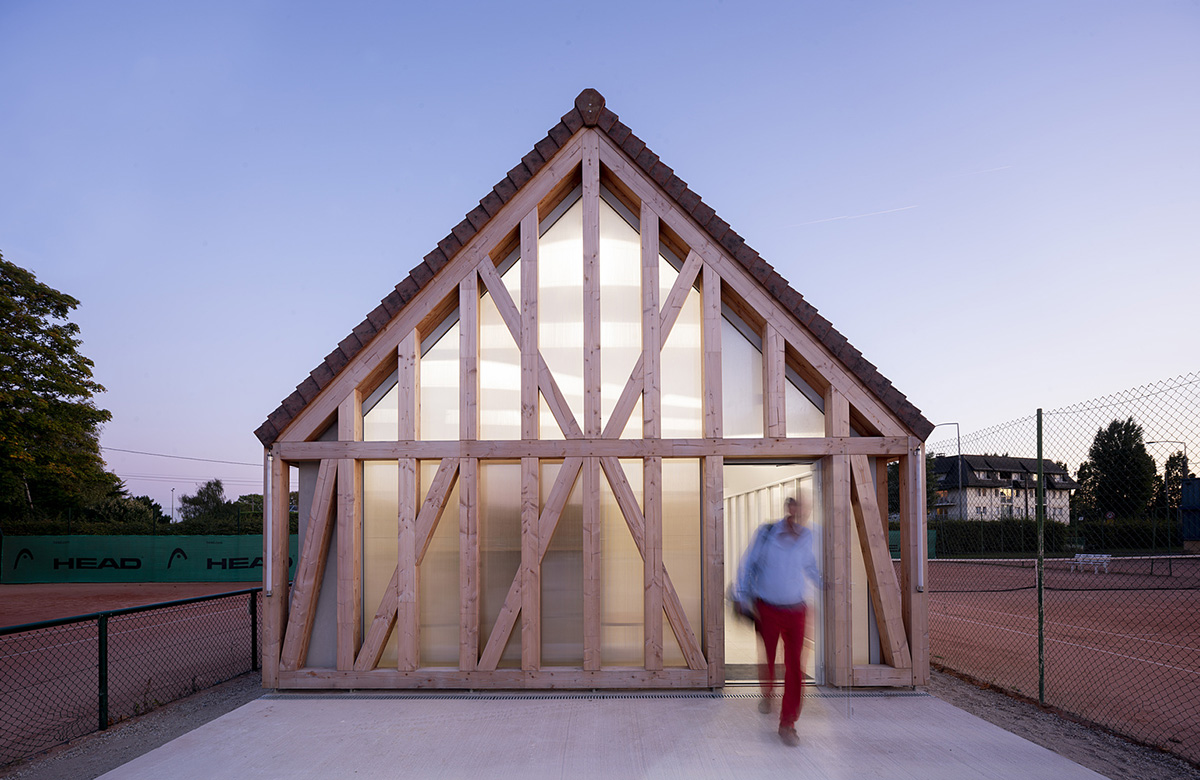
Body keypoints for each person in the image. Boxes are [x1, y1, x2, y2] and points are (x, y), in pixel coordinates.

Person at [734, 496, 821, 747]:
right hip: (767, 607)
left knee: (795, 667)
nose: (801, 512)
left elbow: (811, 567)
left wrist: (828, 582)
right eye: (796, 507)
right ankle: (768, 692)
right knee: (769, 656)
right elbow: (747, 564)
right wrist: (741, 596)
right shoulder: (766, 534)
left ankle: (788, 723)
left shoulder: (808, 537)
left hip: (797, 609)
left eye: (805, 509)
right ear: (789, 509)